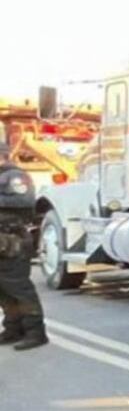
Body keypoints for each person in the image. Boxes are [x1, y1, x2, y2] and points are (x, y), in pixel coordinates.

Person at [0, 145, 49, 352]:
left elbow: (25, 200)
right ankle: (13, 328)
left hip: (13, 240)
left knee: (20, 289)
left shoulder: (15, 176)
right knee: (3, 290)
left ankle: (35, 332)